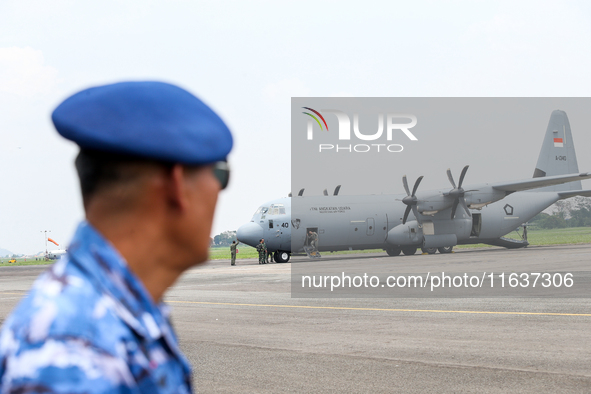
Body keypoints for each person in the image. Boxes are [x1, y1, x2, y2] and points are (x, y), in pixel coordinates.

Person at [0, 81, 233, 393]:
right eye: (220, 175)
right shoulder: (73, 353)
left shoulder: (122, 311)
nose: (220, 192)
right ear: (178, 185)